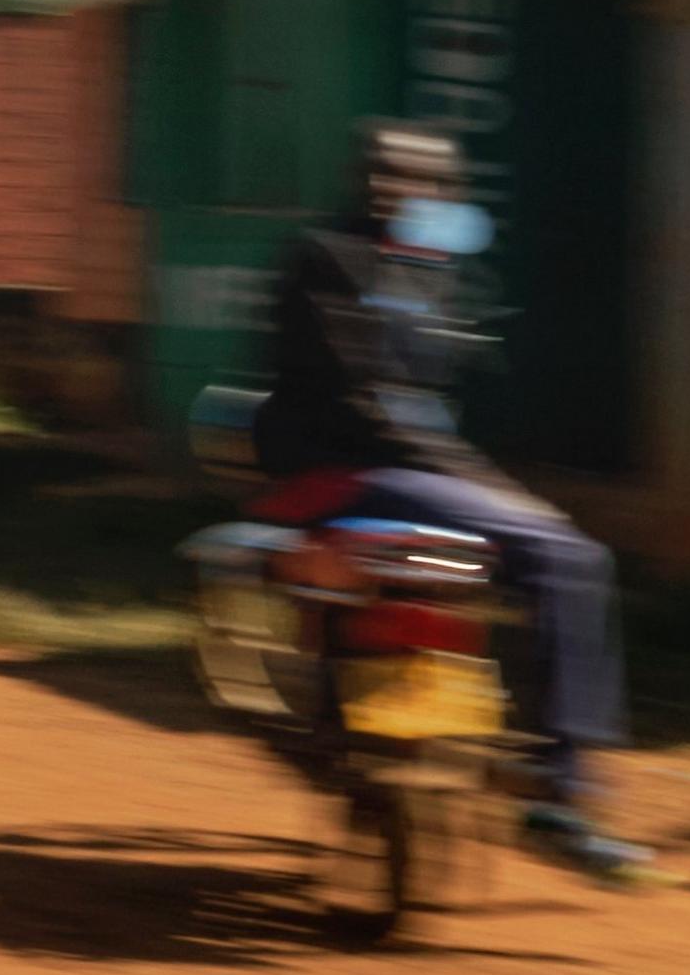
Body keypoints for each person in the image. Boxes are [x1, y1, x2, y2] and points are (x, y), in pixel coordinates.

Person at [248, 119, 639, 880]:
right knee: (569, 558)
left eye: (434, 182)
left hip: (379, 469)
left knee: (518, 559)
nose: (420, 193)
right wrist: (483, 485)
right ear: (374, 182)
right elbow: (367, 410)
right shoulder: (328, 260)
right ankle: (562, 788)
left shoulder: (413, 274)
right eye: (406, 178)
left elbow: (421, 405)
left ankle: (472, 737)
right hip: (347, 471)